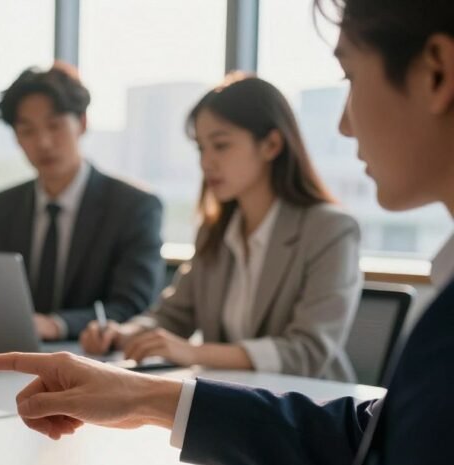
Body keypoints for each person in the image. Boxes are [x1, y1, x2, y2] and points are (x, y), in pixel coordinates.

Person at [0, 0, 454, 465]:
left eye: (350, 76)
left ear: (436, 72)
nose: (345, 124)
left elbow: (305, 351)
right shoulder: (218, 233)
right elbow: (361, 431)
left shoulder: (336, 234)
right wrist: (145, 396)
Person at [80, 74, 361, 381]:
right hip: (233, 399)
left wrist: (195, 353)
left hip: (315, 405)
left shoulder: (330, 229)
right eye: (201, 148)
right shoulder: (215, 231)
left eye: (221, 146)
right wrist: (122, 332)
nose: (206, 163)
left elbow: (307, 351)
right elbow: (173, 317)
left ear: (271, 145)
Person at [0, 63, 164, 342]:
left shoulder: (134, 207)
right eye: (27, 130)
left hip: (94, 360)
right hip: (11, 355)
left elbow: (132, 305)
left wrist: (57, 324)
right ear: (16, 137)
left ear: (82, 123)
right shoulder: (3, 206)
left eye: (55, 125)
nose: (44, 142)